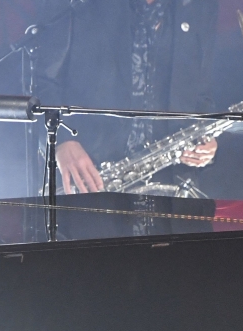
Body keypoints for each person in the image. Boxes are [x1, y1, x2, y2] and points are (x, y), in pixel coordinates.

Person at [37, 0, 220, 194]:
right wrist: (61, 140)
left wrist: (206, 143)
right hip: (88, 178)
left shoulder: (201, 5)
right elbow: (40, 81)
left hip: (172, 182)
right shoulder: (77, 4)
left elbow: (201, 94)